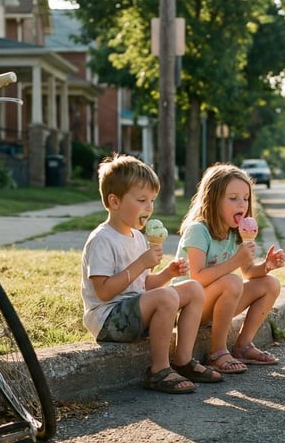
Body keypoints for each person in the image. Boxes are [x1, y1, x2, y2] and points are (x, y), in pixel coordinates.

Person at [81, 154, 222, 394]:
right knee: (166, 297)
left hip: (134, 310)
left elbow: (143, 285)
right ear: (114, 202)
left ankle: (183, 361)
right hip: (108, 319)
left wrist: (167, 273)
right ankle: (158, 370)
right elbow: (103, 292)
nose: (149, 207)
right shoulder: (102, 239)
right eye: (142, 200)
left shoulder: (137, 237)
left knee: (193, 289)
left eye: (152, 200)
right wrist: (140, 263)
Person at [176, 163, 285, 374]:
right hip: (189, 307)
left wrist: (266, 266)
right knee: (232, 281)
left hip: (216, 302)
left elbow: (248, 273)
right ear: (213, 199)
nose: (241, 204)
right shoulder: (198, 230)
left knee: (270, 284)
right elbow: (196, 278)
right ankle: (217, 351)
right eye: (233, 198)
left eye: (245, 198)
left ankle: (243, 346)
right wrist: (235, 261)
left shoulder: (236, 232)